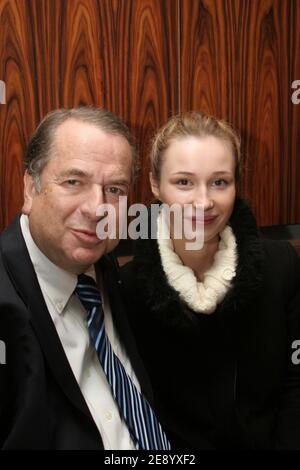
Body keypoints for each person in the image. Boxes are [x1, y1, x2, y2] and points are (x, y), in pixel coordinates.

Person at [121, 111, 300, 449]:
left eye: (220, 182)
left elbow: (296, 385)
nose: (204, 202)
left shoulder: (281, 267)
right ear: (155, 185)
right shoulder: (126, 288)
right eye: (184, 182)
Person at [0, 107, 170, 450]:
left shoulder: (111, 272)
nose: (97, 208)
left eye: (115, 189)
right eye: (74, 182)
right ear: (30, 190)